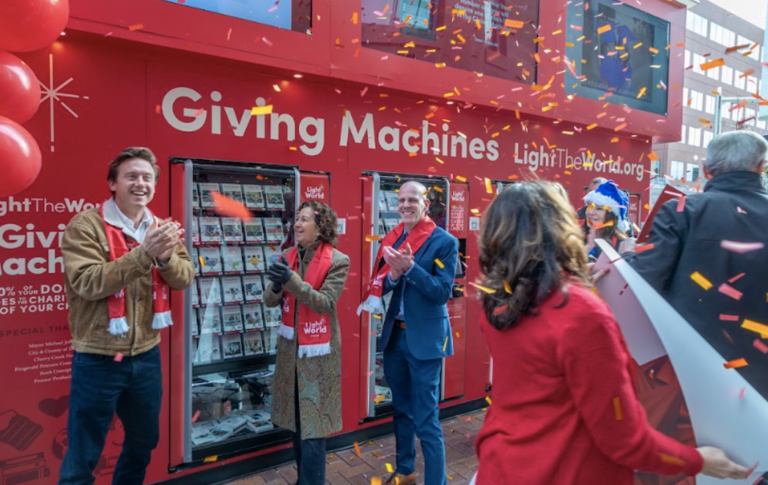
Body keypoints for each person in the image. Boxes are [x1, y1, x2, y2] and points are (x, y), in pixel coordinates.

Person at [471, 181, 749, 485]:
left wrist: (578, 288)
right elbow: (624, 440)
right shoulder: (581, 313)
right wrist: (698, 460)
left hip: (502, 464)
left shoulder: (497, 300)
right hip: (566, 470)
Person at [626, 130, 768, 464]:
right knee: (755, 459)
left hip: (690, 371)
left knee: (693, 459)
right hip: (761, 374)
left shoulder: (683, 210)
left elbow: (643, 279)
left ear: (705, 169)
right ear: (761, 167)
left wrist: (627, 255)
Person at [58, 147, 195, 485]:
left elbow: (184, 277)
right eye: (131, 176)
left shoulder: (161, 227)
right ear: (112, 183)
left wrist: (165, 259)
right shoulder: (85, 225)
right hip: (98, 358)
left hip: (146, 356)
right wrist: (145, 254)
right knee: (82, 456)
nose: (140, 183)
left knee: (143, 442)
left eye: (147, 177)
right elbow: (87, 282)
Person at [359, 181, 458, 485]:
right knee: (401, 411)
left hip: (426, 341)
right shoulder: (393, 238)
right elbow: (382, 284)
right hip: (395, 338)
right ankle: (406, 471)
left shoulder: (445, 242)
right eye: (401, 200)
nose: (405, 205)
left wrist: (411, 269)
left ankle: (436, 481)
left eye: (412, 200)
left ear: (425, 205)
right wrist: (395, 274)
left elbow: (442, 292)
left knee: (427, 419)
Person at [264, 200, 350, 485]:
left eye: (304, 220)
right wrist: (277, 285)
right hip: (291, 355)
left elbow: (324, 303)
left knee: (313, 428)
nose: (297, 225)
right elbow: (269, 301)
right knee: (296, 425)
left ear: (320, 227)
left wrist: (291, 281)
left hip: (318, 357)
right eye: (296, 220)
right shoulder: (287, 255)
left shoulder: (338, 260)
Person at [583, 179, 631, 262]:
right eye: (590, 206)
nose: (590, 212)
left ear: (611, 215)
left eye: (599, 209)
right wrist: (588, 247)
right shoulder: (575, 237)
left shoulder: (621, 245)